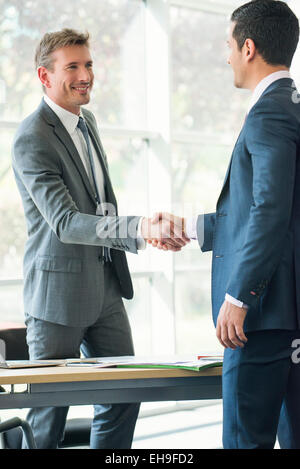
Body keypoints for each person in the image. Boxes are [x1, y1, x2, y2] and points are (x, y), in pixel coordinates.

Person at [12, 28, 188, 449]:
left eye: (88, 64)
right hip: (57, 299)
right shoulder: (31, 137)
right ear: (44, 75)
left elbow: (99, 203)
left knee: (123, 394)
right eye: (72, 66)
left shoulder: (87, 121)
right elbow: (67, 222)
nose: (84, 75)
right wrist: (138, 227)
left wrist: (140, 234)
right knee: (49, 414)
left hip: (105, 288)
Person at [151, 0, 300, 449]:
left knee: (243, 441)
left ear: (248, 48)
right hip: (290, 317)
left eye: (229, 46)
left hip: (263, 316)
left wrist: (240, 296)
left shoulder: (268, 112)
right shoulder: (292, 106)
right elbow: (277, 213)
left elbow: (269, 211)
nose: (226, 56)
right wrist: (193, 229)